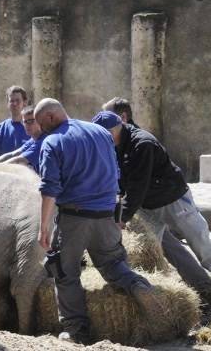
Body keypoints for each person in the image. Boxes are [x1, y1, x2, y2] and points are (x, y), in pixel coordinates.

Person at [34, 98, 166, 344]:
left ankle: (75, 331)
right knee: (113, 264)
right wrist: (116, 213)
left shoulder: (52, 141)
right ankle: (138, 285)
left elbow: (49, 188)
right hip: (106, 215)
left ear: (51, 117)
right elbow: (115, 173)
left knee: (65, 272)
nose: (41, 129)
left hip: (74, 217)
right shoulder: (100, 132)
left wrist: (44, 228)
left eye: (41, 123)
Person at [91, 110, 211, 297]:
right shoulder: (112, 144)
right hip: (146, 205)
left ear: (116, 129)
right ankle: (182, 288)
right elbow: (118, 182)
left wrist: (122, 217)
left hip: (172, 199)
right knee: (154, 248)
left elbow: (137, 186)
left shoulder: (142, 144)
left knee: (199, 241)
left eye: (102, 134)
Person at [0, 85, 31, 161]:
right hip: (6, 171)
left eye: (17, 100)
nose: (14, 104)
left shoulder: (34, 127)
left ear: (25, 102)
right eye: (11, 101)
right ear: (7, 103)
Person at [0, 105, 46, 174]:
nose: (27, 125)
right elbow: (12, 154)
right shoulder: (33, 139)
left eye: (31, 121)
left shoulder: (44, 141)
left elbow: (19, 160)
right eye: (25, 122)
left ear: (39, 121)